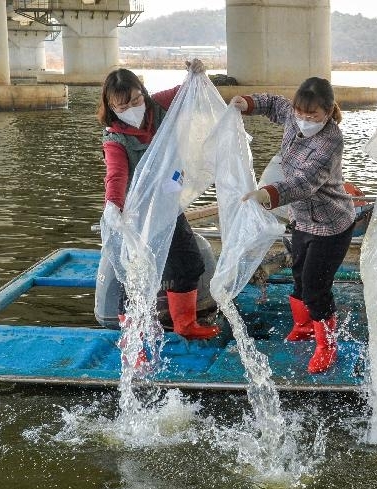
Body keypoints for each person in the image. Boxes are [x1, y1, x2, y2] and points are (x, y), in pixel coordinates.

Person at [232, 77, 354, 374]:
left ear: (328, 112)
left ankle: (327, 345)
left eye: (312, 116)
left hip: (331, 223)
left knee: (315, 286)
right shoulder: (293, 115)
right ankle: (304, 326)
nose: (304, 119)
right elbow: (274, 103)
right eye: (301, 113)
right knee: (299, 275)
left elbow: (305, 182)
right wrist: (246, 103)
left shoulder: (331, 140)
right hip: (301, 219)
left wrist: (268, 193)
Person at [98, 60, 220, 341]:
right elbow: (115, 175)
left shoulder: (159, 106)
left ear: (143, 93)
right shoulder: (116, 138)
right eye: (122, 107)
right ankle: (133, 338)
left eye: (135, 100)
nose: (131, 110)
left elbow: (189, 90)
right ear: (111, 108)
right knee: (134, 274)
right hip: (134, 214)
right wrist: (112, 206)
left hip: (166, 204)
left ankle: (185, 324)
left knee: (188, 261)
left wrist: (197, 72)